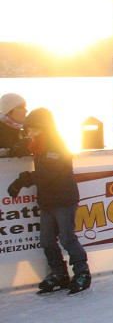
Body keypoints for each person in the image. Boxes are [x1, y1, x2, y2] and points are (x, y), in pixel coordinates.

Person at [6, 108, 91, 294]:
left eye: (35, 129)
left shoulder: (56, 145)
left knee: (67, 239)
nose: (31, 133)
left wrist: (22, 180)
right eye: (29, 130)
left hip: (63, 200)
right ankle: (59, 273)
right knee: (46, 240)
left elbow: (48, 172)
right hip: (48, 201)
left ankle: (82, 272)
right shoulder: (38, 145)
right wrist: (14, 149)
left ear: (46, 128)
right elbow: (23, 149)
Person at [0, 93, 30, 157]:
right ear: (8, 111)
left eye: (25, 107)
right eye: (21, 107)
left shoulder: (26, 131)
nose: (26, 110)